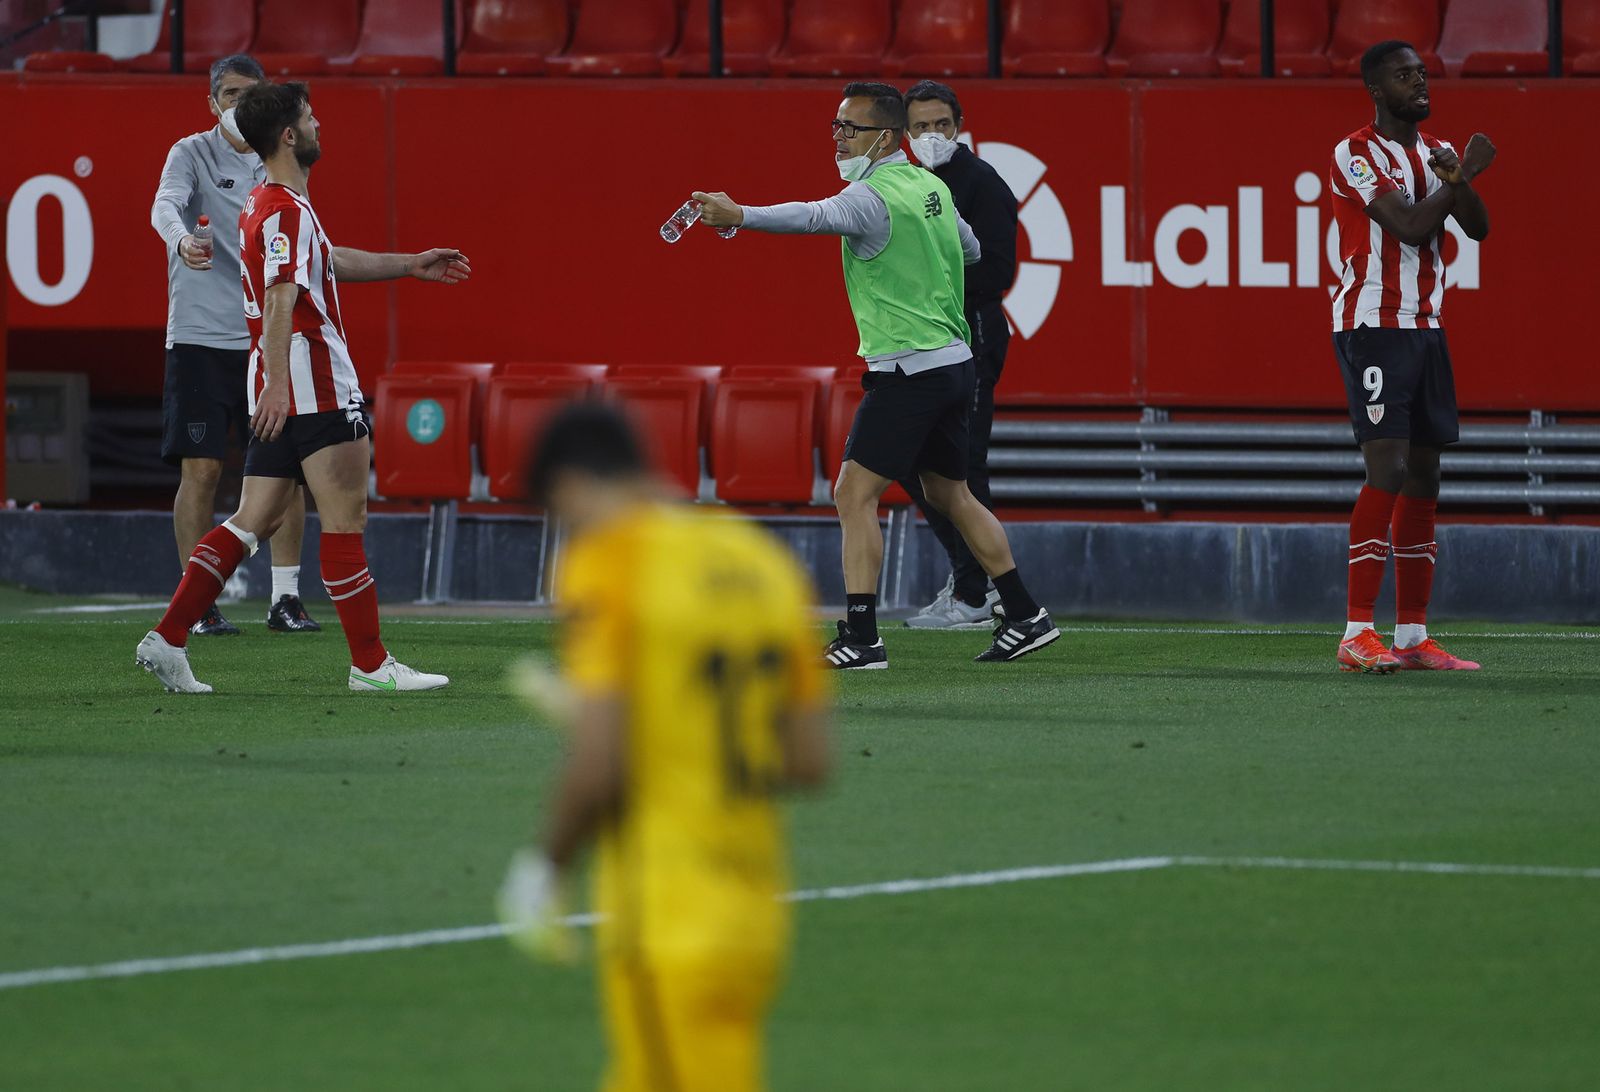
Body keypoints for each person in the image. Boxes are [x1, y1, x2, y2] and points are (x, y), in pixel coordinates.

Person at [497, 401, 830, 1092]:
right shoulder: (761, 558)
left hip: (666, 914)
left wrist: (545, 867)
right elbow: (807, 761)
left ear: (573, 484)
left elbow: (600, 768)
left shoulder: (613, 560)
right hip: (754, 909)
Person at [693, 82, 1058, 669]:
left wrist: (739, 215)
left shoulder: (872, 195)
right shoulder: (929, 187)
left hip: (910, 369)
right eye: (836, 127)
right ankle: (1024, 614)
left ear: (883, 137)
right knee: (951, 493)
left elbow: (813, 216)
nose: (838, 138)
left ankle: (861, 638)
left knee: (852, 493)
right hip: (953, 364)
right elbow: (967, 250)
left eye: (850, 129)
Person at [134, 80, 470, 694]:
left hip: (281, 385)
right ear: (289, 134)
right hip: (312, 386)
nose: (320, 127)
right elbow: (281, 296)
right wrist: (283, 387)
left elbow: (323, 262)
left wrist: (408, 264)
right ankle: (371, 666)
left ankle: (169, 637)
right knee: (347, 520)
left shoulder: (267, 202)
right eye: (312, 119)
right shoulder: (286, 208)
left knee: (249, 520)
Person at [1329, 41, 1493, 673]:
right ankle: (1355, 632)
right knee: (1389, 468)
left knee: (1424, 474)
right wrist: (1461, 178)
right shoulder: (1354, 152)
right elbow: (1411, 226)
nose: (1420, 84)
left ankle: (1412, 636)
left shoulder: (1435, 153)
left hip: (1427, 325)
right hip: (1372, 322)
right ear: (1376, 90)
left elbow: (1476, 228)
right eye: (1404, 77)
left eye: (1422, 74)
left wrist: (1458, 179)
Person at [150, 54, 319, 636]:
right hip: (199, 336)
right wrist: (180, 242)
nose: (237, 105)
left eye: (249, 95)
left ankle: (286, 597)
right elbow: (164, 205)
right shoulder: (190, 152)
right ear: (211, 102)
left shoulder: (280, 159)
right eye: (229, 94)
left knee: (285, 468)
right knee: (200, 470)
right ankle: (199, 602)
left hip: (265, 339)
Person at [898, 80, 1020, 631]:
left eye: (940, 124)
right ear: (904, 132)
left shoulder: (981, 183)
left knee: (962, 464)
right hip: (924, 336)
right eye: (920, 126)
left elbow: (998, 271)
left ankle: (976, 591)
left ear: (959, 126)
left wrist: (929, 279)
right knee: (907, 459)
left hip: (970, 330)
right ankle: (974, 583)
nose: (931, 135)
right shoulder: (904, 183)